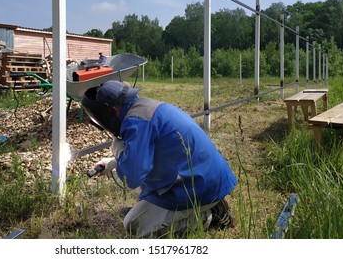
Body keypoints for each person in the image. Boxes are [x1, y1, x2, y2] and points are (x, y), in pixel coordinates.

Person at [81, 80, 238, 238]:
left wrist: (119, 150)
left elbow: (132, 177)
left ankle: (209, 214)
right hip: (206, 176)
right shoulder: (144, 107)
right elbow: (151, 153)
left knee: (134, 225)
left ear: (113, 110)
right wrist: (113, 162)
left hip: (201, 185)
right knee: (144, 193)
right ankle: (203, 205)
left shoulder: (135, 122)